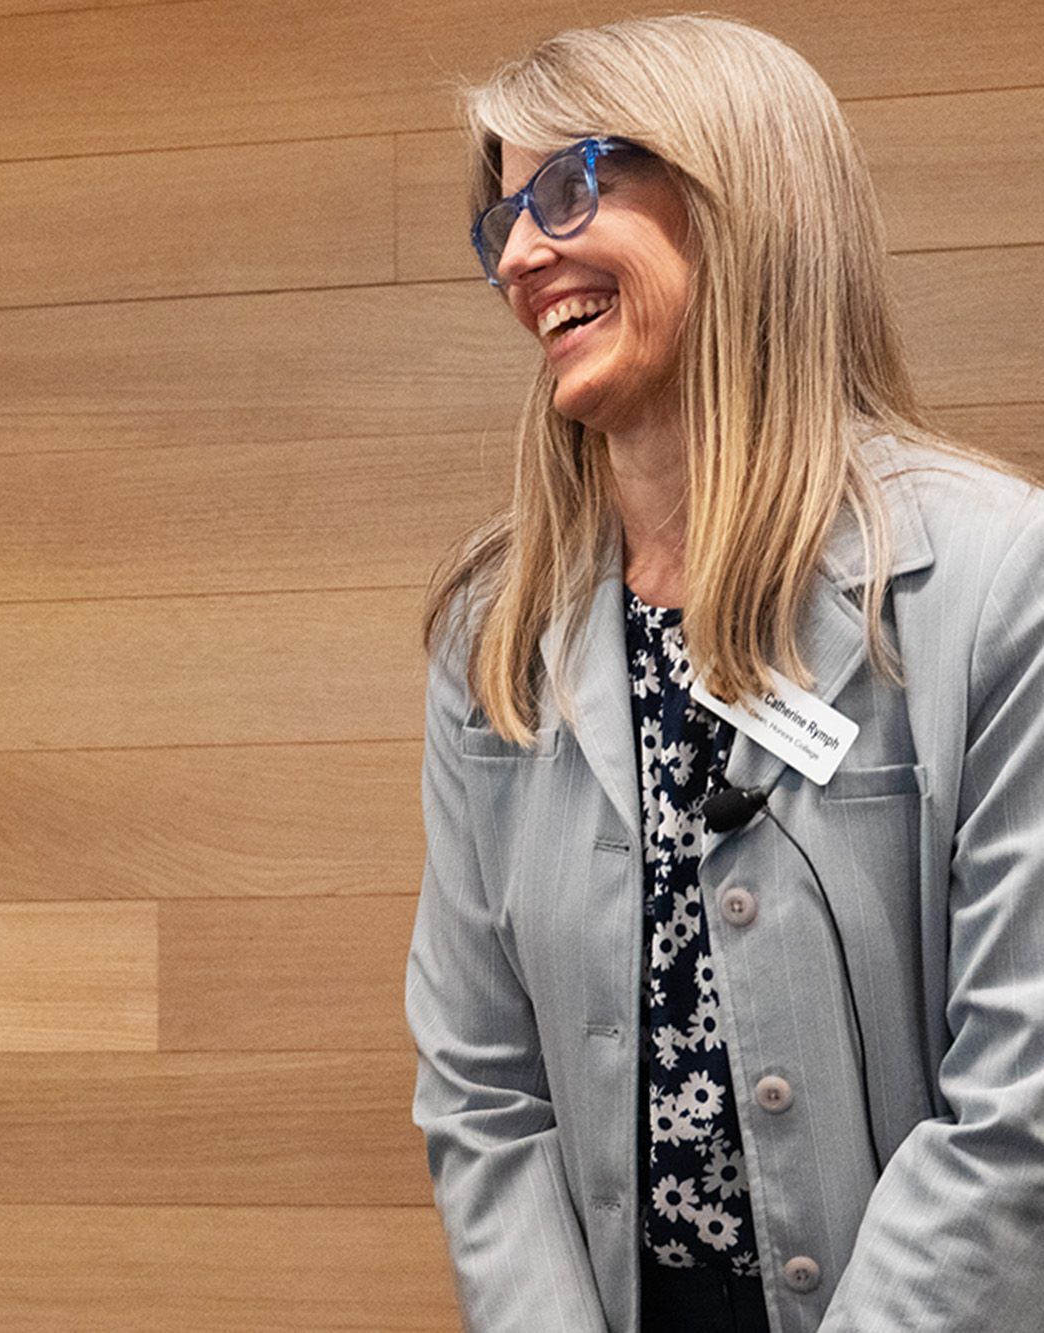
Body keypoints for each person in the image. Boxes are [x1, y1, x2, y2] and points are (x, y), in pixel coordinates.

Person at [406, 15, 1044, 1333]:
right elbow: (483, 1094)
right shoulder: (495, 632)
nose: (518, 254)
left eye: (567, 189)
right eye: (505, 218)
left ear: (739, 194)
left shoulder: (997, 580)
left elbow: (1017, 1106)